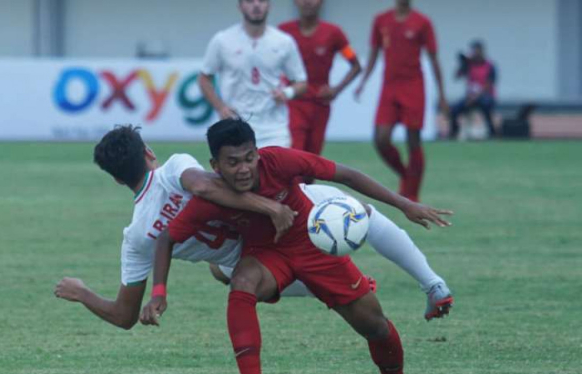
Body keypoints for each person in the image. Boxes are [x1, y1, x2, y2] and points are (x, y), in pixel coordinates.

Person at [141, 119, 453, 374]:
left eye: (249, 157)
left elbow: (346, 174)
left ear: (258, 153)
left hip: (313, 244)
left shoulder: (279, 161)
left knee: (375, 328)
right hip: (267, 255)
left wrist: (403, 203)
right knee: (242, 281)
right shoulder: (212, 197)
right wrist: (159, 293)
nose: (244, 168)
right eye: (232, 162)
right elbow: (167, 238)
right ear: (216, 165)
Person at [53, 125, 300, 329]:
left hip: (256, 267)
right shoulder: (173, 169)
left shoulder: (136, 237)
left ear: (117, 179)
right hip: (286, 228)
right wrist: (272, 207)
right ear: (148, 153)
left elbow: (124, 316)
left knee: (220, 269)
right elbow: (206, 186)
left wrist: (82, 292)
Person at [354, 0, 448, 202]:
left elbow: (433, 59)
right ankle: (405, 175)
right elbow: (374, 53)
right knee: (380, 139)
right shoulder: (381, 20)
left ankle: (412, 193)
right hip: (389, 87)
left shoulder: (422, 22)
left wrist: (441, 94)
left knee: (413, 139)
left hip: (413, 86)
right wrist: (363, 81)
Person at [198, 0, 308, 148]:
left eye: (262, 1)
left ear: (269, 5)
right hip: (235, 125)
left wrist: (286, 93)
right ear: (240, 6)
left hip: (274, 129)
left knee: (276, 170)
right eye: (249, 1)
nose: (256, 5)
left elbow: (301, 82)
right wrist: (220, 107)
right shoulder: (222, 40)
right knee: (237, 170)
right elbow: (204, 78)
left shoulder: (284, 41)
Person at [278, 0, 362, 155]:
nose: (308, 2)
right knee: (294, 155)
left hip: (319, 104)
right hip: (293, 103)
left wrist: (336, 90)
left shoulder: (334, 33)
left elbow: (355, 65)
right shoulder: (283, 32)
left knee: (312, 159)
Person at [449, 40, 498, 139]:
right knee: (454, 110)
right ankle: (453, 132)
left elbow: (488, 86)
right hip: (470, 97)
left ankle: (492, 132)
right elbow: (456, 76)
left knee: (486, 106)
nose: (474, 53)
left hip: (485, 96)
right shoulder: (469, 65)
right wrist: (463, 63)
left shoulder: (490, 66)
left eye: (476, 50)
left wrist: (475, 98)